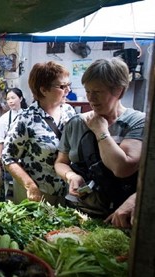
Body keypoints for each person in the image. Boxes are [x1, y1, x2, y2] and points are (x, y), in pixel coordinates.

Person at [55, 57, 145, 218]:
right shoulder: (76, 123)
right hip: (78, 212)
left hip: (119, 215)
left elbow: (121, 168)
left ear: (119, 90)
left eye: (97, 92)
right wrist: (71, 176)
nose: (91, 98)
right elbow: (61, 162)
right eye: (88, 91)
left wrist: (101, 131)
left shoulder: (137, 122)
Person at [2, 61, 76, 206]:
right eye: (62, 86)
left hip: (66, 190)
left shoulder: (69, 111)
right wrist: (30, 185)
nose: (68, 90)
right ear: (44, 90)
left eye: (69, 85)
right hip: (37, 193)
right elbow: (7, 157)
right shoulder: (26, 119)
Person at [0, 88, 28, 155]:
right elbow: (0, 140)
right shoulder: (3, 118)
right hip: (10, 155)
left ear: (20, 99)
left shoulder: (28, 115)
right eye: (8, 99)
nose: (10, 101)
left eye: (13, 98)